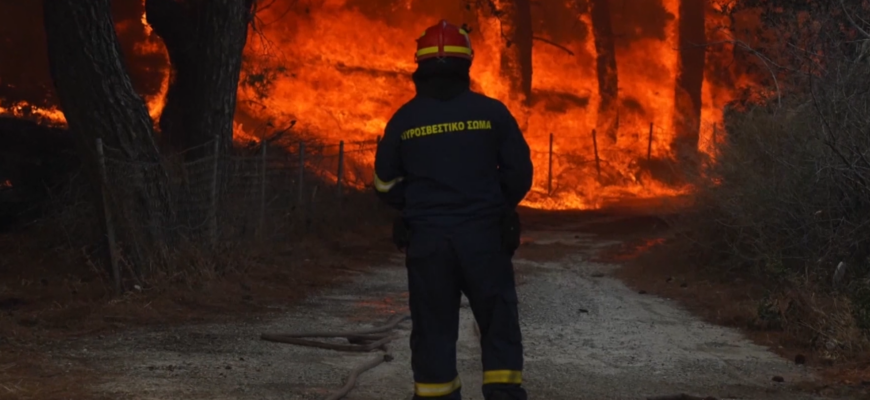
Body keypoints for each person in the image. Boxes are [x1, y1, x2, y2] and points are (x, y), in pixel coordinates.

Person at [372, 19, 534, 400]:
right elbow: (520, 173)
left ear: (420, 65)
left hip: (428, 243)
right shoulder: (492, 113)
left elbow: (383, 183)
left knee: (432, 329)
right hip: (485, 240)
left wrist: (412, 207)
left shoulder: (404, 120)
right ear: (467, 64)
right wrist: (500, 206)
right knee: (498, 324)